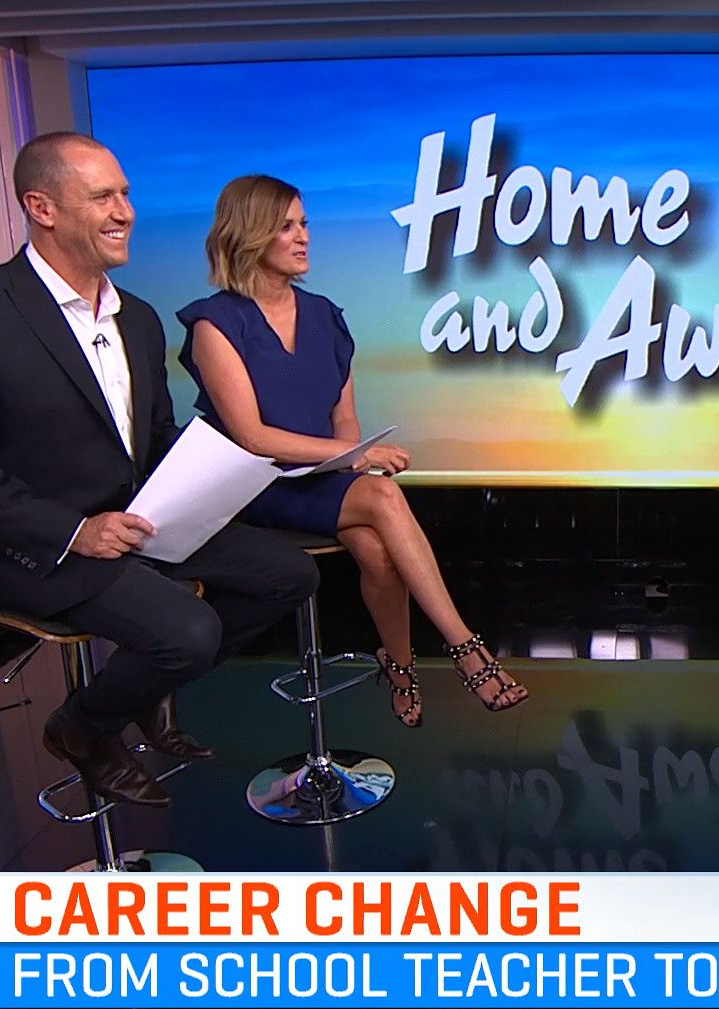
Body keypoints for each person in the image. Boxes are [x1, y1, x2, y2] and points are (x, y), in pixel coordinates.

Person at [0, 134, 318, 808]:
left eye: (125, 194)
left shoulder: (139, 319)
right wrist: (75, 531)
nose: (124, 212)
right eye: (102, 197)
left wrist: (221, 474)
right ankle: (83, 728)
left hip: (132, 522)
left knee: (289, 575)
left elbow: (151, 441)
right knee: (189, 632)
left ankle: (140, 689)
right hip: (25, 542)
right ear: (42, 208)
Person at [175, 174, 527, 728]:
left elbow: (345, 421)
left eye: (304, 223)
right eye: (285, 226)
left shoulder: (324, 316)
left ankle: (401, 666)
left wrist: (350, 458)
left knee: (378, 550)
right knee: (382, 498)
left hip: (319, 476)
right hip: (255, 482)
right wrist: (359, 460)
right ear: (249, 234)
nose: (303, 237)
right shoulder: (214, 323)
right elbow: (251, 437)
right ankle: (465, 648)